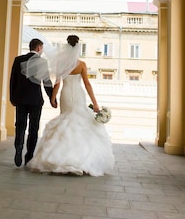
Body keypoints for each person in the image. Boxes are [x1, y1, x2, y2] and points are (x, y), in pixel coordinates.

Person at [27, 35, 115, 176]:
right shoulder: (81, 65)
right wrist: (95, 103)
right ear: (77, 47)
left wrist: (53, 98)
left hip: (66, 95)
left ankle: (60, 156)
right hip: (78, 95)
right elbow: (87, 84)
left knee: (66, 121)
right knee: (79, 123)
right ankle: (79, 159)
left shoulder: (61, 64)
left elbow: (58, 82)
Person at [9, 38, 56, 167]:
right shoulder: (42, 62)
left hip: (20, 99)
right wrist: (53, 98)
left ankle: (18, 149)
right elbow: (47, 82)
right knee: (33, 128)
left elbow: (13, 80)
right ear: (39, 48)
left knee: (20, 126)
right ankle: (29, 155)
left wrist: (12, 98)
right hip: (35, 100)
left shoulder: (18, 60)